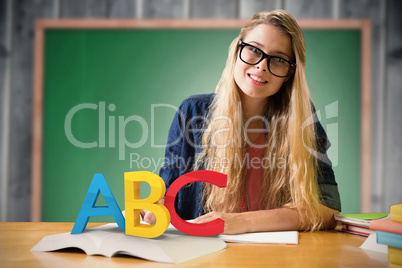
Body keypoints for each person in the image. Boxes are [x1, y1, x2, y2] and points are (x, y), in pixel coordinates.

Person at [142, 9, 341, 235]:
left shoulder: (301, 120)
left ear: (289, 74)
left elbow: (329, 210)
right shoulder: (193, 113)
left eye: (278, 59)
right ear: (237, 50)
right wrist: (149, 212)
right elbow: (166, 197)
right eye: (254, 50)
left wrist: (244, 222)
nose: (261, 66)